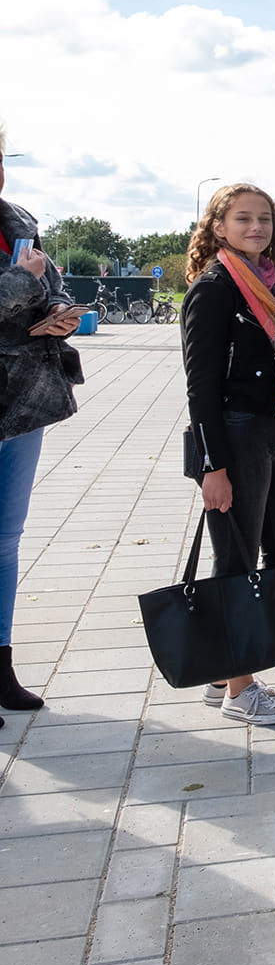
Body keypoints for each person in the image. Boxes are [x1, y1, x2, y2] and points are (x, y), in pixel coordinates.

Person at [181, 184, 275, 725]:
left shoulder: (274, 282)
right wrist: (211, 467)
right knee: (237, 563)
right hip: (236, 437)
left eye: (263, 219)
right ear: (219, 226)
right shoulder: (214, 289)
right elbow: (200, 388)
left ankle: (224, 672)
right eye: (243, 219)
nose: (256, 228)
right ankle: (240, 691)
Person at [0, 126, 81, 723]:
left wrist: (58, 311)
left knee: (5, 541)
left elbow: (48, 288)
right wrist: (25, 282)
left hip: (22, 401)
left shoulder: (18, 221)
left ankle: (0, 665)